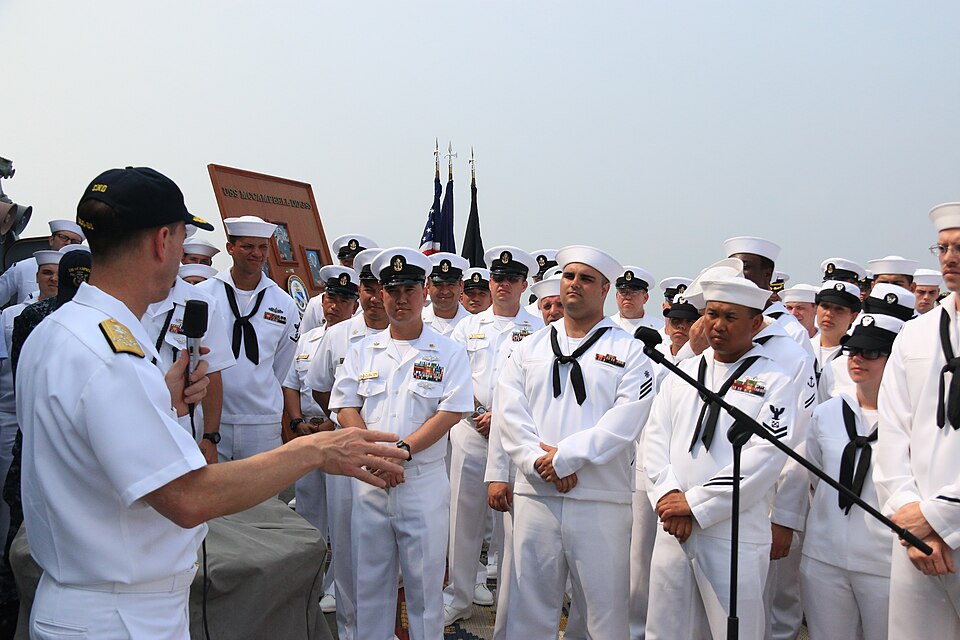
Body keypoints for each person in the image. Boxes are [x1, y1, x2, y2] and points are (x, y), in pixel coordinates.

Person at [17, 166, 406, 639]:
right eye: (182, 237)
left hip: (87, 600)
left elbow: (83, 436)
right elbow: (187, 497)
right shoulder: (113, 355)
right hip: (120, 614)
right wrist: (314, 451)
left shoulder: (60, 331)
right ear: (163, 240)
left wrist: (163, 401)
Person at [495, 245, 654, 638]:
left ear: (605, 289)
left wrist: (565, 459)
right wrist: (538, 462)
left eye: (586, 279)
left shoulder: (631, 351)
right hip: (536, 495)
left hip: (600, 498)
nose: (575, 285)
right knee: (528, 608)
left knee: (603, 612)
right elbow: (509, 413)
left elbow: (625, 422)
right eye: (569, 276)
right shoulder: (527, 348)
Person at [330, 247, 473, 640]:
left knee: (425, 590)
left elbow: (450, 412)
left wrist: (401, 452)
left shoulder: (449, 351)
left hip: (420, 482)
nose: (401, 299)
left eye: (410, 288)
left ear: (424, 290)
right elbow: (344, 405)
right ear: (381, 294)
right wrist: (375, 453)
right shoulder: (363, 350)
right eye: (393, 291)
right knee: (370, 586)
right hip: (371, 482)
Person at [644, 276, 797, 640]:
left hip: (733, 533)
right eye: (712, 314)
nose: (718, 325)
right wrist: (667, 497)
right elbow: (653, 441)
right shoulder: (683, 373)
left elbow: (764, 459)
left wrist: (694, 506)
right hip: (672, 528)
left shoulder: (775, 379)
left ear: (755, 324)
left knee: (734, 631)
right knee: (665, 629)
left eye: (731, 317)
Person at [443, 245, 542, 627]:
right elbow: (454, 378)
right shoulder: (466, 327)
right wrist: (480, 414)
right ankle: (459, 596)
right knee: (462, 519)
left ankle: (508, 605)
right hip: (470, 431)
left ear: (524, 284)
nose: (503, 285)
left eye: (512, 279)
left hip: (516, 436)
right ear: (489, 282)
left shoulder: (538, 330)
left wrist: (501, 417)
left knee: (512, 526)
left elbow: (537, 387)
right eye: (497, 279)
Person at [874, 202, 960, 639]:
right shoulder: (916, 332)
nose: (950, 258)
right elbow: (891, 432)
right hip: (913, 535)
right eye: (942, 248)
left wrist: (938, 519)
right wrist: (908, 517)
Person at [801, 313, 903, 640]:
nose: (858, 359)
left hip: (885, 563)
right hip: (824, 556)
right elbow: (815, 476)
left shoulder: (911, 421)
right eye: (853, 350)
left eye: (871, 352)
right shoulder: (826, 414)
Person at [304, 248, 388, 638]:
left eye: (381, 287)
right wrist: (345, 423)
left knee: (391, 548)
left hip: (391, 458)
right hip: (345, 457)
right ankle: (353, 628)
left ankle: (384, 626)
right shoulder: (338, 336)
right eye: (367, 287)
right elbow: (321, 389)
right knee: (349, 544)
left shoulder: (420, 337)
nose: (374, 296)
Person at [282, 266, 357, 615]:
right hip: (307, 434)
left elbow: (344, 394)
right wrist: (297, 422)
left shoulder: (358, 339)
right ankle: (309, 580)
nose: (334, 305)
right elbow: (291, 383)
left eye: (343, 299)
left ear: (354, 303)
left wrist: (329, 423)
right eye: (330, 298)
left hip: (339, 435)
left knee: (342, 519)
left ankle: (334, 586)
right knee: (310, 515)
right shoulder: (308, 339)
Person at [195, 215, 301, 461]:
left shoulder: (283, 303)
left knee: (262, 498)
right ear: (230, 248)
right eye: (248, 246)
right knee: (211, 495)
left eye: (262, 247)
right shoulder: (202, 295)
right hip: (210, 419)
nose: (257, 253)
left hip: (261, 421)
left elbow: (282, 364)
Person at [141, 257, 236, 460]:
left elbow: (213, 374)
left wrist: (210, 437)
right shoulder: (122, 296)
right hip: (130, 423)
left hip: (182, 428)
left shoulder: (203, 303)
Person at [300, 233, 376, 333]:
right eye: (346, 262)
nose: (350, 268)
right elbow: (305, 339)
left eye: (356, 265)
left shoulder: (374, 304)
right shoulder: (317, 303)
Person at [0, 219, 83, 305]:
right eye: (63, 237)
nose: (68, 243)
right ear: (51, 240)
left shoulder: (83, 273)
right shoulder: (23, 267)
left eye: (75, 242)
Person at [812, 280, 861, 401]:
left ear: (853, 317)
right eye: (825, 306)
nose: (829, 314)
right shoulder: (801, 348)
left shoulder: (858, 358)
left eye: (839, 309)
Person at [422, 252, 471, 336]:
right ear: (428, 286)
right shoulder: (414, 321)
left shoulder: (474, 324)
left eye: (451, 285)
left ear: (461, 286)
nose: (445, 291)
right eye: (438, 285)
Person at [612, 265, 665, 333]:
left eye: (634, 293)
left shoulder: (660, 328)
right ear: (617, 296)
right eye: (623, 292)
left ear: (645, 298)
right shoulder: (605, 327)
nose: (628, 297)